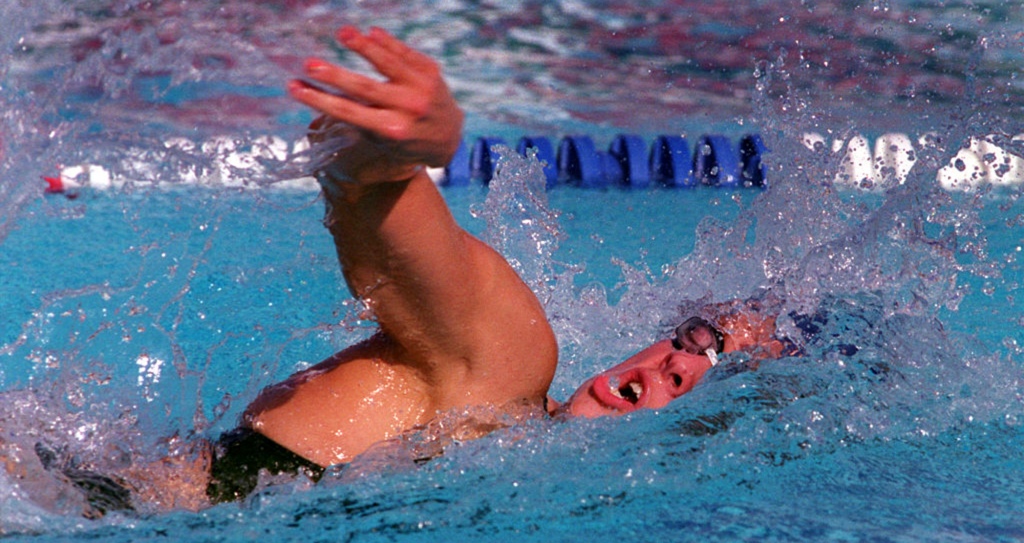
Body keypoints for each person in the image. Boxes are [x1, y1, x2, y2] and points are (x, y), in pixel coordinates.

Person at [207, 26, 783, 486]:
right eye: (701, 339)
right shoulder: (508, 363)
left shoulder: (523, 480)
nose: (680, 367)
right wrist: (394, 154)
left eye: (720, 377)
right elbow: (362, 195)